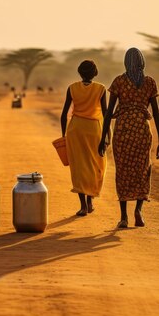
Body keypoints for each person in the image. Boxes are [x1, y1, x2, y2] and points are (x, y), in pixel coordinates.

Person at [99, 48, 159, 228]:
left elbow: (108, 113)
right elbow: (157, 114)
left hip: (123, 131)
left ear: (126, 63)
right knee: (142, 169)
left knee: (123, 171)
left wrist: (102, 138)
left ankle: (124, 217)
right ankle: (139, 210)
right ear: (142, 62)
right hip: (143, 132)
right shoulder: (150, 82)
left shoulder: (119, 82)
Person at [60, 60, 108, 216]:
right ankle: (90, 201)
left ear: (79, 73)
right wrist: (107, 135)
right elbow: (106, 115)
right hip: (94, 130)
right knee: (96, 165)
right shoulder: (101, 89)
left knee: (79, 167)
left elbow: (63, 114)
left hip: (75, 130)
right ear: (95, 73)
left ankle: (83, 206)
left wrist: (63, 135)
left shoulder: (72, 88)